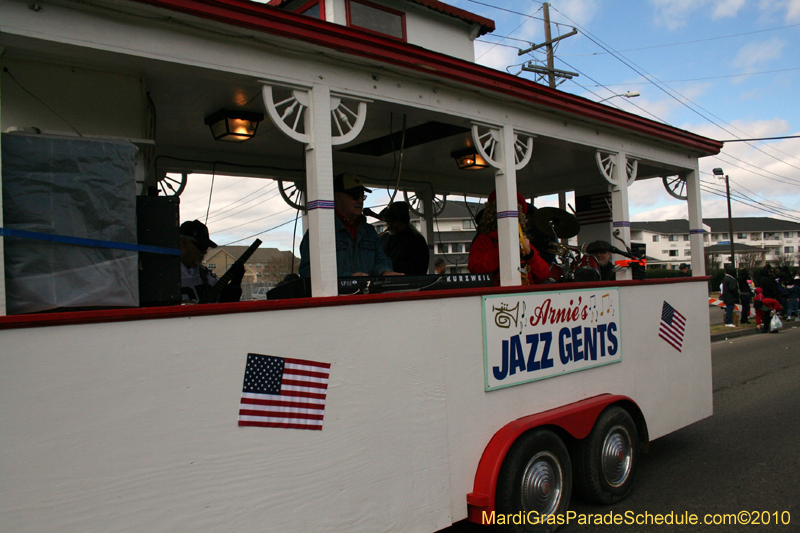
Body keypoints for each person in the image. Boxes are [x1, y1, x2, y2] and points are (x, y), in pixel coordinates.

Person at [299, 172, 401, 278]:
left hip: (367, 294)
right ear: (337, 197)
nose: (360, 201)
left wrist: (385, 272)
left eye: (363, 197)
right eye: (355, 196)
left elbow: (381, 260)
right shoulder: (318, 232)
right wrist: (348, 278)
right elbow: (308, 271)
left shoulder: (370, 231)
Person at [468, 191, 549, 285]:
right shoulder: (484, 239)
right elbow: (475, 268)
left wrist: (530, 254)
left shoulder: (522, 240)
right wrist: (506, 251)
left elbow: (543, 275)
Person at [180, 219, 244, 303]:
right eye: (201, 246)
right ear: (183, 243)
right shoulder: (165, 276)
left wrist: (235, 284)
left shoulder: (206, 275)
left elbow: (224, 304)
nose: (205, 252)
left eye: (206, 247)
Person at [378, 202, 429, 276]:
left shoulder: (417, 241)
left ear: (401, 222)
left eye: (390, 222)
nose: (387, 225)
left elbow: (419, 270)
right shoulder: (383, 238)